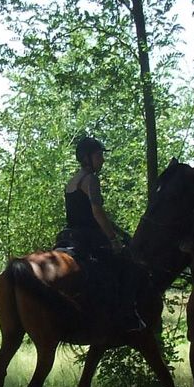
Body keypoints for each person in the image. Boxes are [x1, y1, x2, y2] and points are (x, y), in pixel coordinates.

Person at [56, 134, 141, 330]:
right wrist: (113, 239)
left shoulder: (71, 182)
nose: (102, 159)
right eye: (98, 155)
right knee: (128, 266)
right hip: (90, 238)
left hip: (70, 236)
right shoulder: (91, 179)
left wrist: (118, 230)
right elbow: (97, 212)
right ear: (86, 157)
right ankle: (128, 314)